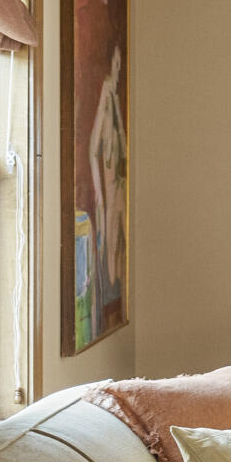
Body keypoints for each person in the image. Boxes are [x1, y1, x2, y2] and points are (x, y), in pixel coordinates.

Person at [86, 47, 127, 306]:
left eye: (121, 64)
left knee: (120, 239)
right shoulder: (106, 94)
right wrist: (99, 191)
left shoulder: (113, 96)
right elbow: (94, 149)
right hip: (110, 183)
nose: (119, 69)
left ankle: (112, 291)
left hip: (119, 182)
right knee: (110, 237)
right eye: (116, 63)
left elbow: (122, 144)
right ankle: (108, 291)